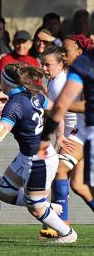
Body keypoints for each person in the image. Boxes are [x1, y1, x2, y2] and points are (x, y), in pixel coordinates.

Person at [0, 64, 77, 243]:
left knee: (36, 209)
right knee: (4, 192)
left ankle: (67, 234)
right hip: (29, 155)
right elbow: (57, 110)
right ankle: (47, 206)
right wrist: (60, 136)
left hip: (38, 159)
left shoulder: (14, 104)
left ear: (5, 82)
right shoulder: (34, 93)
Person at [39, 49, 94, 202]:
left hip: (75, 135)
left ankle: (59, 223)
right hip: (77, 133)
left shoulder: (61, 82)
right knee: (78, 185)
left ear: (60, 64)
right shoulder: (54, 80)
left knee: (58, 171)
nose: (44, 68)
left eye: (47, 65)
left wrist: (59, 137)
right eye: (42, 64)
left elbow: (60, 109)